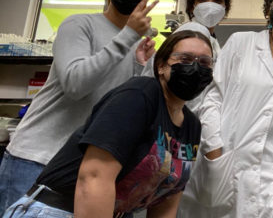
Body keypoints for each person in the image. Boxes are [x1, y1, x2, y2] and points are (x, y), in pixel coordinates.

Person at [0, 0, 158, 213]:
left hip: (82, 167)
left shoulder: (139, 44)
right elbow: (76, 84)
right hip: (36, 158)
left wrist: (139, 67)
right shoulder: (79, 25)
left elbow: (115, 107)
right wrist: (128, 35)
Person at [3, 30, 212, 218]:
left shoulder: (191, 126)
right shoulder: (140, 95)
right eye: (185, 59)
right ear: (160, 66)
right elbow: (94, 176)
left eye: (204, 62)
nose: (195, 67)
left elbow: (167, 201)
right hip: (57, 209)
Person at [178, 0, 273, 218]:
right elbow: (213, 97)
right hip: (224, 160)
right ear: (267, 11)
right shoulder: (240, 43)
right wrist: (215, 148)